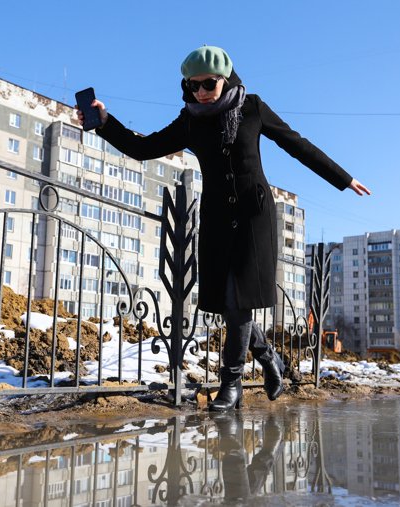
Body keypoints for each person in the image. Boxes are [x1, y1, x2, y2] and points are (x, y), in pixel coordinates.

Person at [77, 46, 371, 412]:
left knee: (239, 300)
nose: (200, 92)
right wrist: (105, 122)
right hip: (217, 219)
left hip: (253, 217)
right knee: (233, 303)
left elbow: (296, 144)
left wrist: (343, 178)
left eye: (208, 84)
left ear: (226, 78)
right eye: (192, 85)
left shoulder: (253, 107)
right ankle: (269, 359)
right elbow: (143, 148)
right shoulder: (189, 121)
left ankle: (231, 385)